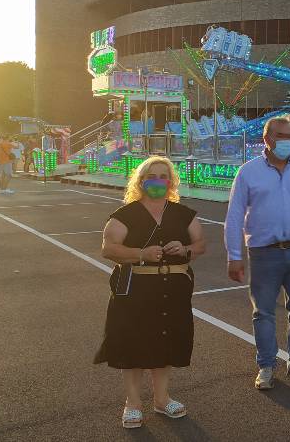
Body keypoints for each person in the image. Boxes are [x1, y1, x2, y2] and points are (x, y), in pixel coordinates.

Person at [95, 156, 206, 429]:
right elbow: (108, 249)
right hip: (135, 290)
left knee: (165, 344)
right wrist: (140, 253)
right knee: (133, 344)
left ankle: (161, 398)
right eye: (151, 175)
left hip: (173, 289)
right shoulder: (125, 215)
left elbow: (201, 243)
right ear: (141, 181)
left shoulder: (183, 214)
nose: (158, 181)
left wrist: (186, 250)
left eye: (163, 176)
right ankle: (132, 403)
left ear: (171, 182)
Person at [226, 116, 290, 390]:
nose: (286, 141)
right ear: (267, 139)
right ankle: (267, 366)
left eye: (289, 136)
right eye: (280, 136)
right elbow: (235, 215)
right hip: (264, 253)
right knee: (264, 313)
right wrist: (233, 255)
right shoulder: (249, 172)